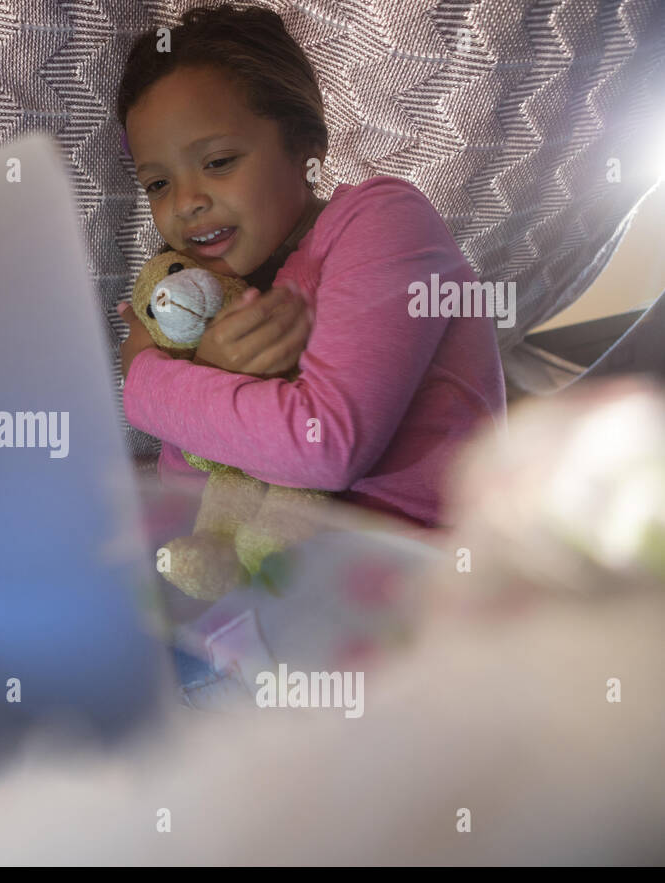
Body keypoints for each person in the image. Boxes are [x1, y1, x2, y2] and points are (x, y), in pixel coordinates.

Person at [115, 4, 506, 528]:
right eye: (158, 184)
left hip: (428, 574)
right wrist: (199, 370)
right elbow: (202, 503)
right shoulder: (208, 289)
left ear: (306, 146)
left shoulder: (384, 221)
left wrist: (148, 377)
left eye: (219, 162)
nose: (185, 202)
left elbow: (325, 450)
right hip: (287, 583)